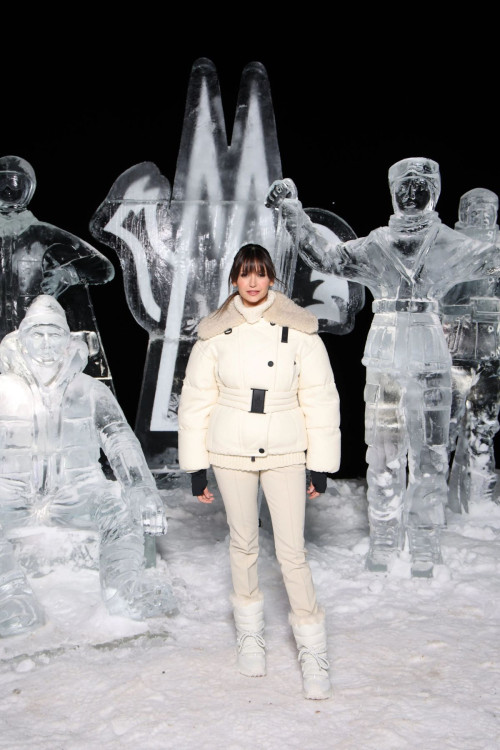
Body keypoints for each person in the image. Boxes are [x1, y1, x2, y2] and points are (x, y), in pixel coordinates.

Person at [266, 159, 500, 578]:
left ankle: (425, 542)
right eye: (404, 186)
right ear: (393, 192)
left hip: (431, 358)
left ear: (435, 192)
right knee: (383, 454)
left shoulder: (451, 244)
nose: (412, 194)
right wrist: (292, 212)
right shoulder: (376, 244)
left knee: (429, 456)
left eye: (421, 186)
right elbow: (326, 257)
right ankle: (385, 538)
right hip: (386, 361)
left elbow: (492, 260)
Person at [178, 244, 340, 700]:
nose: (252, 283)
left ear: (272, 279)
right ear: (234, 280)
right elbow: (195, 400)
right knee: (243, 543)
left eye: (260, 274)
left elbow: (321, 398)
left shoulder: (301, 330)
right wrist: (196, 467)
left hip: (286, 448)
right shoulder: (214, 334)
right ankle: (250, 635)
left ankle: (312, 648)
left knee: (292, 552)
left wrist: (321, 463)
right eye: (245, 275)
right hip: (229, 448)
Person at [0, 295, 175, 638]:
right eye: (38, 334)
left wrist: (142, 491)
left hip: (78, 492)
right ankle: (11, 597)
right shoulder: (2, 390)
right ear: (22, 339)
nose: (47, 344)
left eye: (55, 335)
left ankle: (125, 589)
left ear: (68, 341)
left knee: (120, 508)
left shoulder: (90, 391)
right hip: (11, 494)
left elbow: (121, 441)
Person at [0, 155, 114, 385]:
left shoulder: (44, 235)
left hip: (37, 338)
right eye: (2, 183)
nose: (7, 189)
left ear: (28, 188)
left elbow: (103, 268)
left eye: (14, 183)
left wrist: (69, 274)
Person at [441, 188, 500, 511]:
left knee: (484, 429)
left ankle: (478, 501)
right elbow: (437, 296)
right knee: (444, 430)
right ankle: (432, 499)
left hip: (492, 357)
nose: (481, 215)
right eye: (474, 209)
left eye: (487, 209)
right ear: (463, 213)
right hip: (456, 355)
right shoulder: (450, 249)